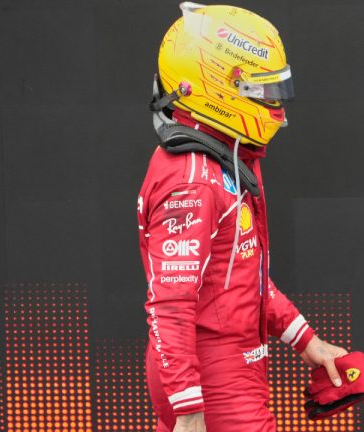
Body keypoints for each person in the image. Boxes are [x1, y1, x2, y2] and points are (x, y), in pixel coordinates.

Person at [136, 3, 348, 431]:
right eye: (264, 93)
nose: (278, 109)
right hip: (212, 383)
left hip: (225, 372)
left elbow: (239, 280)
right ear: (214, 87)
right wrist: (190, 411)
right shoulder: (192, 182)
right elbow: (169, 308)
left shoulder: (225, 160)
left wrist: (306, 340)